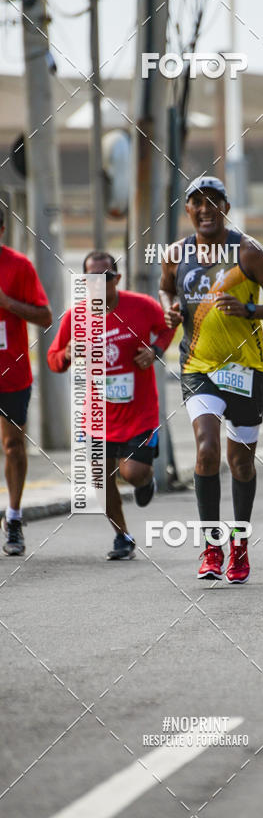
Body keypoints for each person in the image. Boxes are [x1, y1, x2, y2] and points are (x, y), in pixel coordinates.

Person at [159, 175, 263, 584]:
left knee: (240, 463)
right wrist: (169, 309)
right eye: (197, 202)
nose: (205, 209)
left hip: (244, 371)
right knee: (206, 450)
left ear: (226, 208)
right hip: (198, 367)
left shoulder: (248, 253)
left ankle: (239, 543)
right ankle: (211, 548)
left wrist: (251, 311)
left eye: (213, 201)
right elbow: (166, 289)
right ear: (188, 210)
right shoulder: (175, 253)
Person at [48, 251, 173, 559]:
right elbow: (53, 360)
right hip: (98, 414)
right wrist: (67, 354)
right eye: (90, 278)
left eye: (104, 277)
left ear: (117, 279)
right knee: (100, 479)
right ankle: (122, 536)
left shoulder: (142, 306)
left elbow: (168, 326)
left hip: (139, 411)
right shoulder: (76, 317)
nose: (97, 283)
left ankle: (146, 481)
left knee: (132, 473)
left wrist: (155, 350)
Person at [0, 208, 53, 556]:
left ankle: (14, 518)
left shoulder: (18, 266)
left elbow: (46, 316)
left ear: (2, 230)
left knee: (13, 447)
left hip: (11, 372)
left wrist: (6, 303)